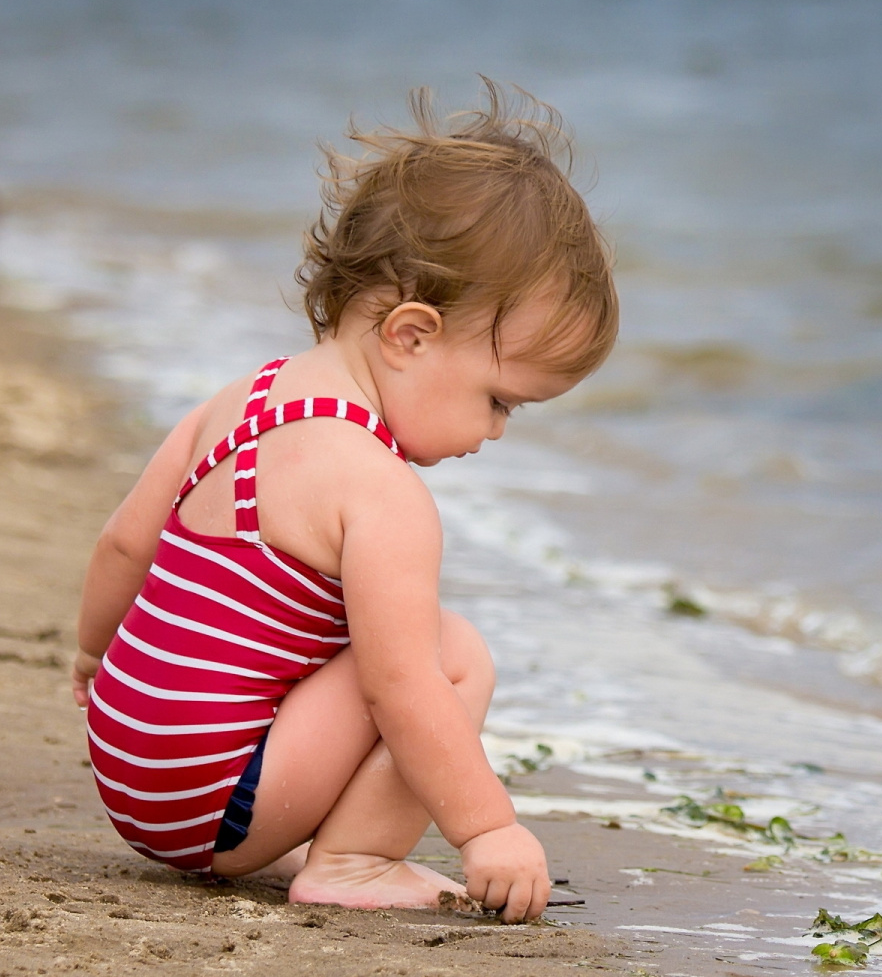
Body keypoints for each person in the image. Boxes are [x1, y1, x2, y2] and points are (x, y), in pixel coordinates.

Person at [68, 81, 617, 923]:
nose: (498, 432)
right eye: (500, 401)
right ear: (410, 334)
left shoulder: (241, 399)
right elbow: (400, 690)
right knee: (451, 651)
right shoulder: (379, 489)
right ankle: (356, 860)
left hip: (123, 766)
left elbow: (121, 547)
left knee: (347, 648)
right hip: (211, 806)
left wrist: (92, 659)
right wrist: (489, 830)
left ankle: (295, 832)